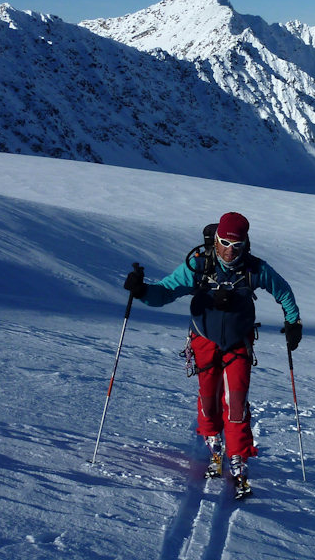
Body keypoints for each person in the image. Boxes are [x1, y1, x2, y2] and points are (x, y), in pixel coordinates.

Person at [123, 212, 301, 498]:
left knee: (236, 399)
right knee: (208, 395)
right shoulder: (198, 265)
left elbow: (283, 291)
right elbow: (166, 292)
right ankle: (213, 443)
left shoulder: (254, 270)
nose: (230, 250)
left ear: (246, 244)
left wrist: (293, 322)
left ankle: (238, 457)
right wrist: (142, 290)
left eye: (237, 245)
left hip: (238, 342)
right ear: (215, 239)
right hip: (204, 340)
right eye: (224, 242)